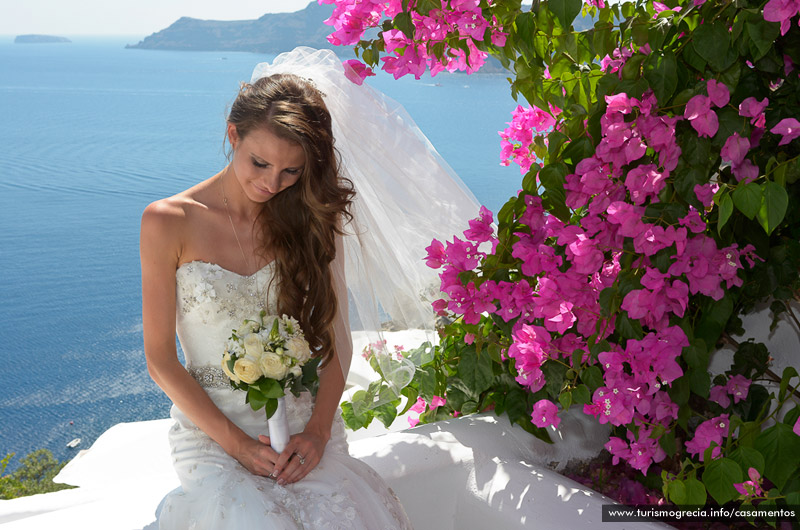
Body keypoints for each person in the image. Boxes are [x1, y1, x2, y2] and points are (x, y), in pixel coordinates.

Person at [140, 47, 480, 529]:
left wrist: (319, 432)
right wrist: (236, 443)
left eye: (291, 171)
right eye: (258, 162)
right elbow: (160, 359)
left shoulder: (314, 220)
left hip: (303, 427)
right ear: (233, 134)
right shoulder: (167, 221)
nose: (272, 182)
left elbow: (335, 339)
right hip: (212, 434)